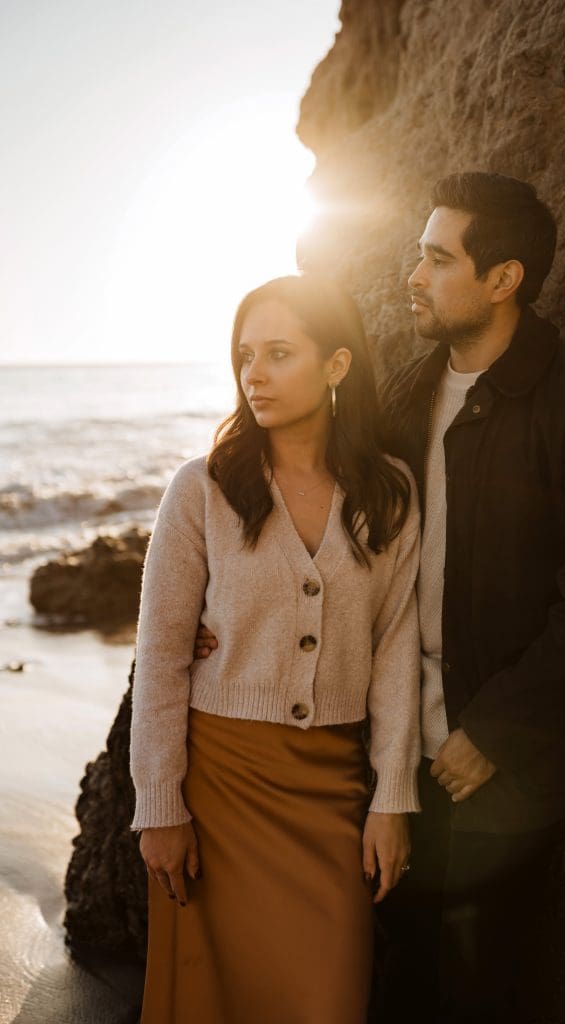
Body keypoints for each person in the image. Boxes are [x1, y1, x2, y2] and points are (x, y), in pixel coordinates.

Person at [195, 171, 565, 1022]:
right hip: (389, 745)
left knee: (482, 983)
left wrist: (500, 729)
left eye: (439, 260)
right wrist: (219, 620)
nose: (413, 276)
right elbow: (323, 533)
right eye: (418, 254)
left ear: (502, 278)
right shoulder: (402, 398)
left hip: (505, 761)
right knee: (397, 969)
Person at [129, 274, 422, 1024]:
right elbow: (161, 657)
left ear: (336, 365)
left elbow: (395, 649)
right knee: (212, 1000)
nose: (254, 374)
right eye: (245, 355)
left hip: (331, 789)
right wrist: (159, 806)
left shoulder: (389, 493)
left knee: (329, 1000)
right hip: (218, 787)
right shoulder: (202, 489)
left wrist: (391, 798)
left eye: (280, 353)